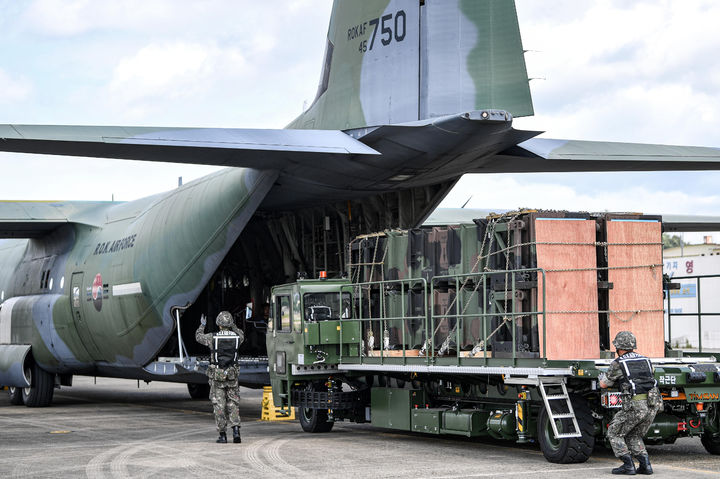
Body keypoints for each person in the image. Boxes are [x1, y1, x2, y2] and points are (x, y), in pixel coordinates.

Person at [599, 331, 662, 475]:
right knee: (634, 435)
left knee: (614, 433)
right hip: (653, 405)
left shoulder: (618, 363)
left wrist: (601, 377)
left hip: (635, 406)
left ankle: (628, 465)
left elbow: (604, 384)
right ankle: (646, 466)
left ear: (618, 347)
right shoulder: (646, 360)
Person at [196, 311, 245, 444]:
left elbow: (198, 337)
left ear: (218, 324)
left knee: (219, 405)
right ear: (230, 323)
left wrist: (202, 325)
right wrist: (233, 325)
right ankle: (236, 432)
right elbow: (241, 333)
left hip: (217, 377)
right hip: (232, 376)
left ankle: (223, 435)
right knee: (233, 404)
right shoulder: (237, 337)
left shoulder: (212, 338)